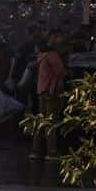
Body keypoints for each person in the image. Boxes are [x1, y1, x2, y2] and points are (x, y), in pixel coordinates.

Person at [32, 32, 69, 161]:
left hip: (42, 90)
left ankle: (36, 150)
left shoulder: (42, 55)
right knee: (51, 122)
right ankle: (51, 151)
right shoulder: (53, 55)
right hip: (51, 91)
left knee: (41, 121)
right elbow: (61, 72)